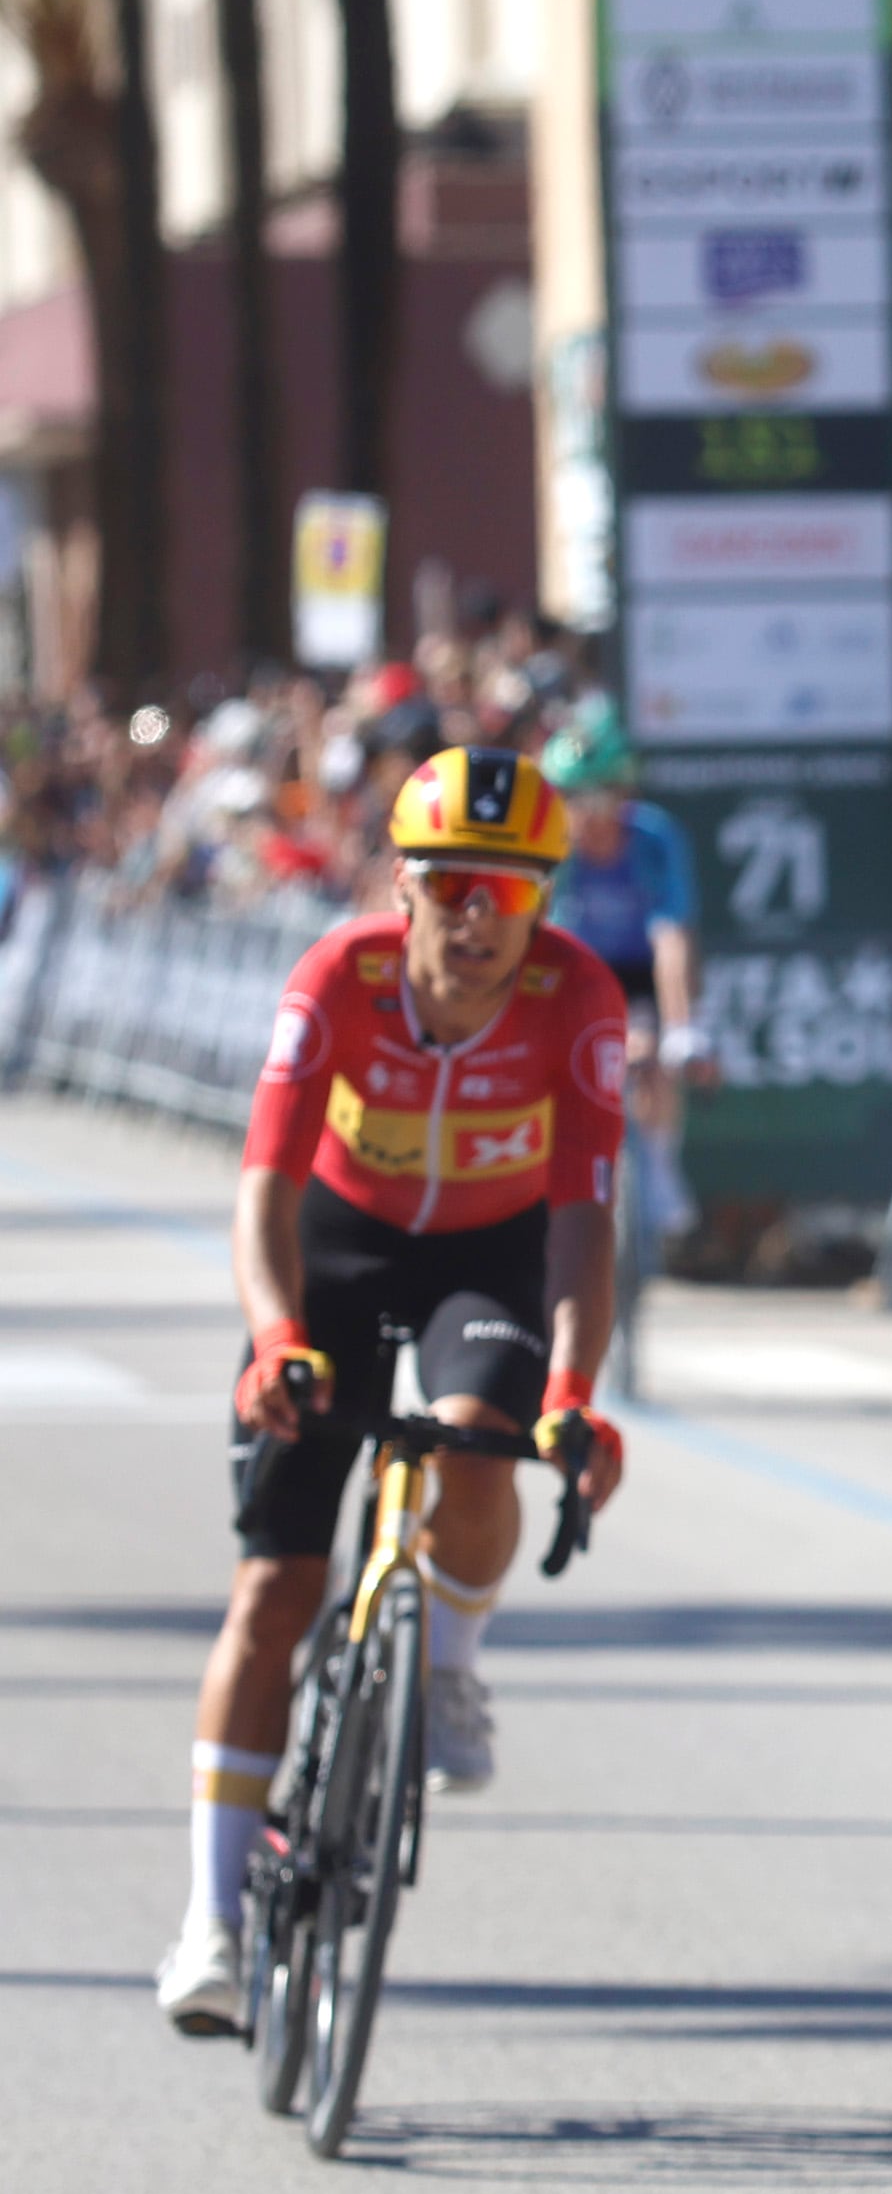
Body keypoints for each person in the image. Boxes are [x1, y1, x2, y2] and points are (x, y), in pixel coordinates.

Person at [156, 750, 634, 2035]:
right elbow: (263, 1181)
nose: (482, 920)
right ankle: (208, 1916)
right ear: (405, 887)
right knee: (274, 1586)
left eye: (514, 894)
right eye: (456, 888)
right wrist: (271, 1339)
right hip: (343, 1245)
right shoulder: (338, 976)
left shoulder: (577, 995)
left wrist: (577, 1388)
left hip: (489, 1257)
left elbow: (586, 1215)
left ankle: (452, 1666)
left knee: (485, 1441)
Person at [538, 709, 710, 1233]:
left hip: (644, 968)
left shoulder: (654, 838)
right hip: (581, 966)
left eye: (600, 798)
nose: (587, 816)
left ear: (623, 795)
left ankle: (658, 1162)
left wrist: (681, 1029)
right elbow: (543, 935)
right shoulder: (555, 847)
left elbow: (672, 939)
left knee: (654, 1050)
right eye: (573, 800)